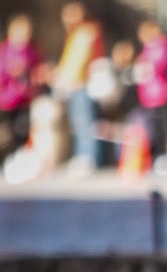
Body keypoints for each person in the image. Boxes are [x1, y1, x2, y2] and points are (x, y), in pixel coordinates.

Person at [55, 3, 103, 171]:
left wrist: (70, 80)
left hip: (80, 83)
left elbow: (81, 60)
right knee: (77, 121)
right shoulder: (74, 34)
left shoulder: (86, 32)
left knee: (84, 121)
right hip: (73, 84)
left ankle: (88, 156)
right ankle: (81, 154)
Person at [0, 16, 41, 154]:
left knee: (25, 128)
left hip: (26, 96)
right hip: (9, 97)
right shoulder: (4, 50)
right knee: (11, 130)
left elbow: (36, 69)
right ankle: (11, 155)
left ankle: (24, 155)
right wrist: (13, 70)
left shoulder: (31, 50)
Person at [133, 20, 167, 169]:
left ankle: (163, 155)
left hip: (160, 92)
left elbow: (166, 62)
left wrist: (150, 66)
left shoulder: (162, 45)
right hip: (148, 94)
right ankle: (154, 155)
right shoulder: (147, 48)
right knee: (151, 126)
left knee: (162, 126)